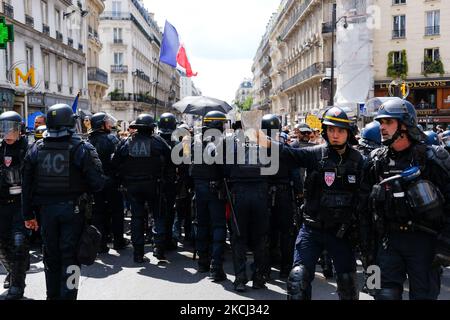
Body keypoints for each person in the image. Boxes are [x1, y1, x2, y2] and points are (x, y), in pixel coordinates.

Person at [258, 106, 364, 300]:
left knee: (348, 284)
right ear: (325, 131)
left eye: (340, 130)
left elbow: (367, 200)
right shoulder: (316, 154)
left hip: (342, 232)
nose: (335, 135)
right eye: (331, 130)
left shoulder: (360, 161)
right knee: (298, 279)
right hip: (312, 229)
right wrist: (265, 142)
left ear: (348, 133)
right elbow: (288, 153)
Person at [360, 98, 450, 300]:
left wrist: (445, 244)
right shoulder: (376, 161)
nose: (382, 127)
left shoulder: (433, 158)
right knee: (383, 296)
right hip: (388, 242)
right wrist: (366, 247)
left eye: (388, 122)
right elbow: (364, 207)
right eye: (381, 122)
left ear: (405, 125)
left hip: (424, 242)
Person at [22, 104, 105, 300]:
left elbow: (26, 185)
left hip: (46, 212)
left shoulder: (36, 148)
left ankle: (52, 297)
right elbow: (98, 183)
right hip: (73, 211)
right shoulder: (81, 148)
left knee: (51, 258)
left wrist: (28, 215)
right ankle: (69, 296)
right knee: (72, 260)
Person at [111, 114, 171, 263]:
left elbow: (115, 163)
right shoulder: (158, 142)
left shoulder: (126, 142)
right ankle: (159, 250)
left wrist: (122, 180)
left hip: (132, 186)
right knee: (158, 216)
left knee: (137, 217)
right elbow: (171, 161)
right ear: (151, 128)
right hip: (154, 185)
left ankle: (138, 253)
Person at [189, 111, 228, 282]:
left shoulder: (196, 140)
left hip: (199, 187)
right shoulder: (222, 141)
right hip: (215, 188)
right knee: (219, 226)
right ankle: (215, 266)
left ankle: (202, 262)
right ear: (218, 124)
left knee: (202, 224)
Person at [88, 112, 129, 253]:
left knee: (98, 213)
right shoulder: (112, 139)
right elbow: (121, 159)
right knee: (117, 212)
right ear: (101, 124)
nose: (109, 125)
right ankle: (118, 241)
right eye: (106, 122)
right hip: (112, 181)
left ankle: (101, 243)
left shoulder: (88, 141)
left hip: (95, 183)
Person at [0, 111, 29, 300]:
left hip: (21, 204)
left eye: (11, 128)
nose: (7, 133)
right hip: (2, 203)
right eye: (3, 128)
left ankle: (18, 286)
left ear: (19, 130)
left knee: (19, 243)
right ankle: (14, 272)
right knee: (3, 244)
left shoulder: (29, 148)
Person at [157, 113, 179, 251]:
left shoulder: (154, 140)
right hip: (171, 182)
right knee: (170, 211)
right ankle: (167, 239)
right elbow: (184, 165)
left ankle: (158, 242)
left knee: (157, 212)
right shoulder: (178, 143)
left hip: (155, 181)